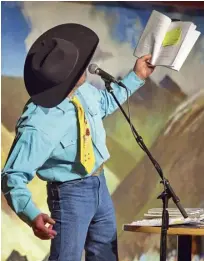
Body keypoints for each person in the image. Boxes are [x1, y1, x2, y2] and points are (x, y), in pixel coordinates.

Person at [1, 24, 154, 261]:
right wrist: (31, 214)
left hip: (99, 185)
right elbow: (12, 175)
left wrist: (137, 76)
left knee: (105, 256)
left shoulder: (83, 90)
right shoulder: (38, 121)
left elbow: (104, 103)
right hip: (70, 194)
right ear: (65, 75)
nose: (84, 63)